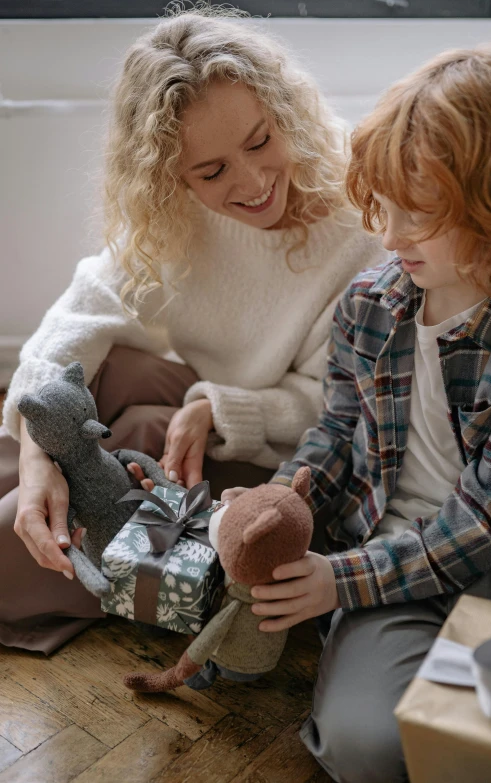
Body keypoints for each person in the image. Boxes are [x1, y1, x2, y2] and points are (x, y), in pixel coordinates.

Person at [0, 6, 384, 654]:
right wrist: (39, 458)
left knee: (137, 430)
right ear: (170, 174)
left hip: (275, 463)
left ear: (283, 111)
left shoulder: (356, 217)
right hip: (194, 419)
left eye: (261, 141)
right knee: (104, 376)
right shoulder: (169, 213)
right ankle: (40, 492)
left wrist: (216, 407)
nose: (255, 182)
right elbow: (74, 318)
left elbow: (331, 407)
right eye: (211, 172)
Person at [223, 44, 491, 782]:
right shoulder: (371, 301)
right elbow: (337, 429)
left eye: (418, 217)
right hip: (390, 562)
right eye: (382, 210)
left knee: (483, 733)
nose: (388, 238)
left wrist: (340, 580)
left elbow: (489, 519)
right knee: (367, 743)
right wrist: (281, 496)